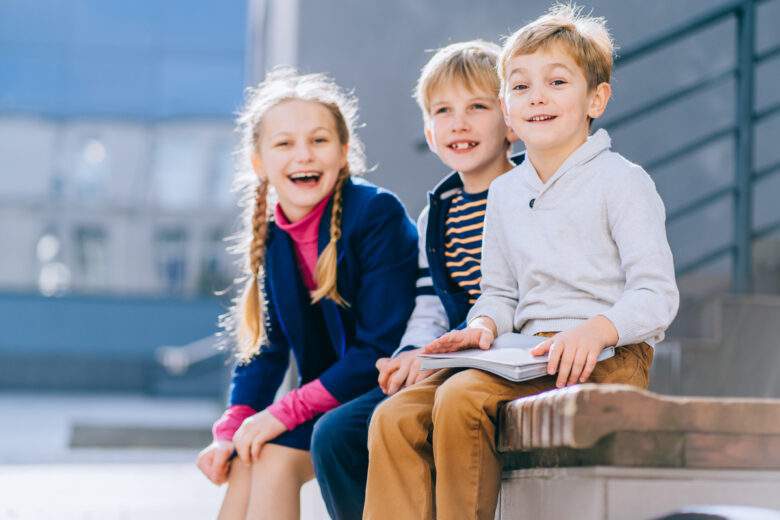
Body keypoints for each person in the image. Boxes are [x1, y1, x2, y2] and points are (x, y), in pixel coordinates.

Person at [363, 5, 680, 520]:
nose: (537, 96)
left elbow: (656, 295)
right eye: (520, 86)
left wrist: (597, 330)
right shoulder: (506, 192)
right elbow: (501, 293)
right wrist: (483, 325)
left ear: (596, 98)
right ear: (508, 111)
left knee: (462, 398)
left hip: (607, 353)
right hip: (522, 355)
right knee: (394, 417)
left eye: (557, 81)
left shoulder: (623, 182)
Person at [310, 40, 522, 520]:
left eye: (477, 107)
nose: (458, 123)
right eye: (442, 111)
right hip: (447, 363)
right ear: (429, 131)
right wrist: (410, 356)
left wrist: (443, 359)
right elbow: (429, 303)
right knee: (337, 433)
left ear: (511, 122)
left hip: (504, 359)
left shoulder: (529, 197)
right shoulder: (437, 214)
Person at [195, 68, 418, 520]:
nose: (304, 155)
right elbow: (266, 351)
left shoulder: (376, 215)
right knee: (252, 452)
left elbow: (377, 348)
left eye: (318, 140)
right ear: (258, 162)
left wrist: (284, 412)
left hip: (387, 388)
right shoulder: (275, 237)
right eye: (284, 143)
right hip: (331, 397)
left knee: (270, 449)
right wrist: (231, 427)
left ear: (344, 152)